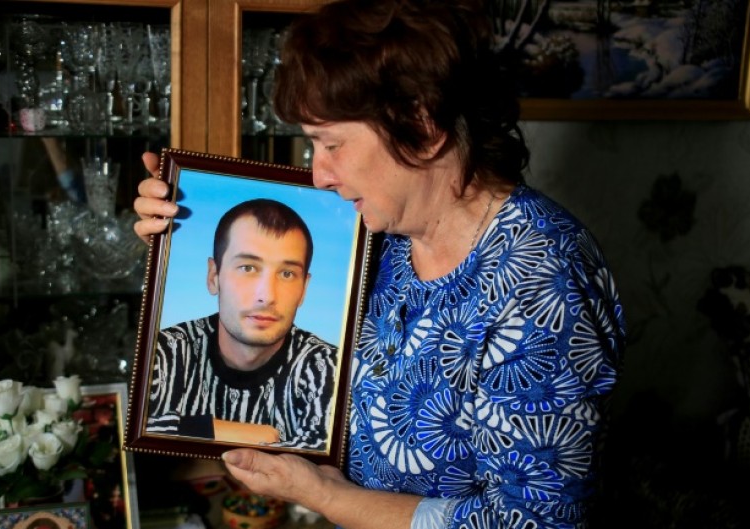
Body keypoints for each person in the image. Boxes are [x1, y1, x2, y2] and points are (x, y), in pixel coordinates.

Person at [133, 0, 626, 527]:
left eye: (331, 144)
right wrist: (175, 233)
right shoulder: (378, 232)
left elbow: (533, 521)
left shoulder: (542, 280)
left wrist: (328, 497)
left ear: (421, 126)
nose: (318, 174)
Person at [146, 198, 338, 451]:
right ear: (214, 276)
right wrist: (262, 436)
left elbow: (321, 457)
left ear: (304, 290)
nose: (267, 295)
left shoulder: (327, 367)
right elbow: (134, 432)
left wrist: (188, 431)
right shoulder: (164, 351)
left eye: (287, 273)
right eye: (248, 268)